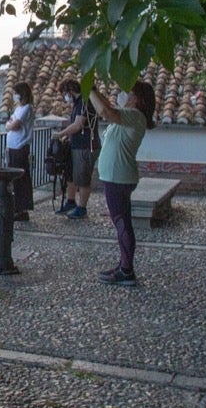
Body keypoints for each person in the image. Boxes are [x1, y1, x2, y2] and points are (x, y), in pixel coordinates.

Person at [88, 78, 156, 286]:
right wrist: (93, 90)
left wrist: (89, 90)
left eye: (129, 92)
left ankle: (127, 271)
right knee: (121, 222)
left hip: (119, 177)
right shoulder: (128, 117)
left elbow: (105, 112)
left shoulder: (135, 116)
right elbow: (108, 107)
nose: (123, 94)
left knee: (122, 223)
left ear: (137, 99)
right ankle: (124, 265)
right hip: (116, 176)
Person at [56, 77, 100, 219]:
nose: (65, 98)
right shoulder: (77, 103)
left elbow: (78, 125)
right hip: (77, 145)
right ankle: (71, 201)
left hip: (85, 146)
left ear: (70, 91)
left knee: (83, 178)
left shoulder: (84, 102)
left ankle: (82, 208)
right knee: (72, 175)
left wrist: (60, 134)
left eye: (64, 94)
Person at [5, 81, 36, 220]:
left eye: (16, 93)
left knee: (20, 178)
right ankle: (17, 207)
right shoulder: (19, 109)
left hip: (20, 146)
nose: (14, 96)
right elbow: (10, 123)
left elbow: (14, 125)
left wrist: (9, 125)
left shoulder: (27, 109)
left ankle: (21, 209)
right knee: (15, 178)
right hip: (13, 146)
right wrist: (9, 125)